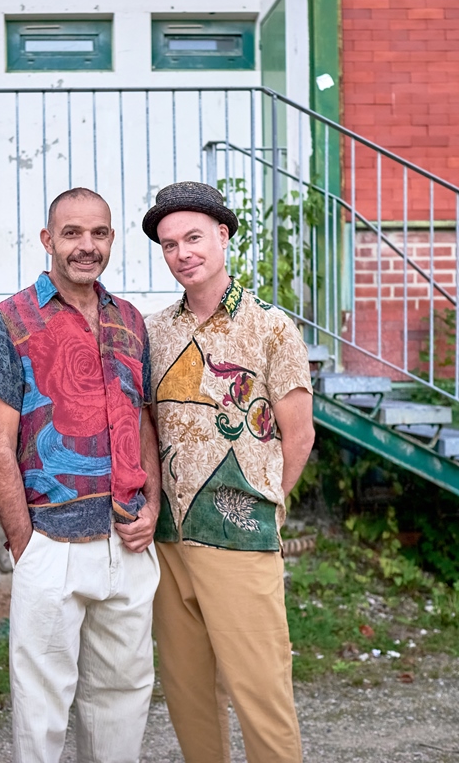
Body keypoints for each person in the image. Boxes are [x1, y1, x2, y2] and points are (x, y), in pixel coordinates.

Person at [0, 187, 161, 763]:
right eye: (73, 233)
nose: (87, 246)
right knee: (42, 705)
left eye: (99, 233)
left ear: (111, 238)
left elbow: (143, 423)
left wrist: (151, 506)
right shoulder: (11, 320)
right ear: (47, 240)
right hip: (50, 543)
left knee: (124, 695)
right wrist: (23, 542)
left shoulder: (130, 320)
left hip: (128, 540)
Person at [143, 181, 315, 763]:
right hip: (168, 539)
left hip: (239, 536)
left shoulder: (271, 327)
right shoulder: (154, 330)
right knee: (188, 697)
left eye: (193, 237)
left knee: (260, 693)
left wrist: (271, 503)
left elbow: (300, 433)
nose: (182, 253)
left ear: (222, 235)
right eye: (169, 245)